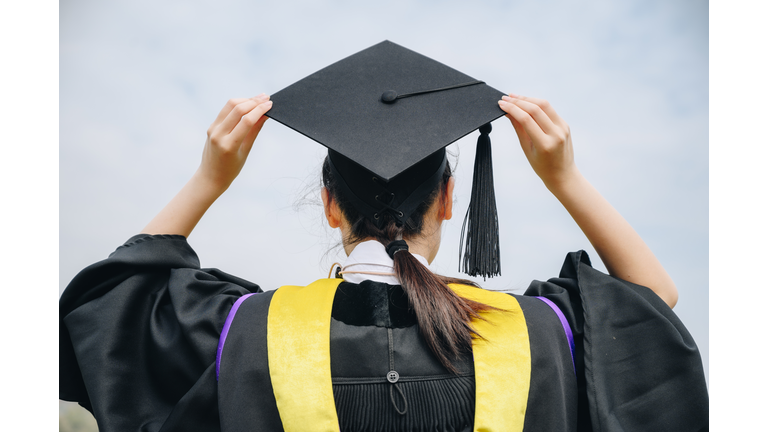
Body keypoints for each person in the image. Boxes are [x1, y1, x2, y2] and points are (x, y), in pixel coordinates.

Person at [59, 42, 708, 432]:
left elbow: (111, 301)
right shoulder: (539, 334)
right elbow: (653, 302)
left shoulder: (244, 331)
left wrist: (208, 178)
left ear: (330, 205)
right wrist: (565, 178)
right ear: (451, 200)